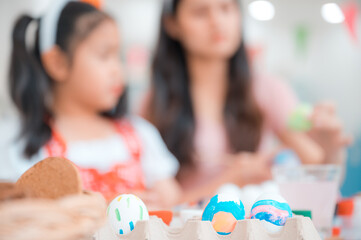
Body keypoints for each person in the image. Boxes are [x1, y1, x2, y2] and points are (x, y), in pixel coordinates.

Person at [142, 0, 351, 192]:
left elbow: (319, 174)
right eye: (200, 13)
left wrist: (331, 150)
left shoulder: (268, 89)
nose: (217, 22)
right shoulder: (153, 104)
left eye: (226, 8)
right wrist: (231, 179)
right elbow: (160, 203)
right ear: (172, 24)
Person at [6, 0, 182, 207]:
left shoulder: (140, 135)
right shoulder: (19, 144)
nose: (118, 70)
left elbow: (174, 205)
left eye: (118, 56)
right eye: (104, 55)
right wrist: (104, 205)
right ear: (58, 63)